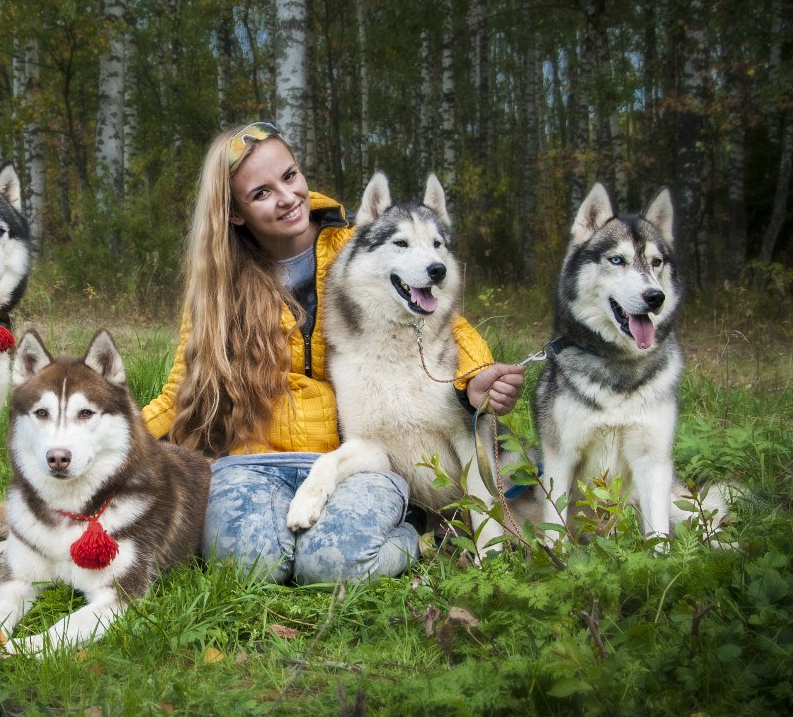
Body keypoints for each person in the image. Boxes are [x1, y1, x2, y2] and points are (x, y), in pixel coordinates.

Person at [142, 121, 524, 584]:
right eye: (261, 193)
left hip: (346, 453)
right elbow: (179, 389)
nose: (287, 197)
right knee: (247, 566)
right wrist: (121, 441)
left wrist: (476, 375)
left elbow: (447, 322)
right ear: (236, 213)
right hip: (251, 459)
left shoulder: (355, 244)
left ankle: (416, 534)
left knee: (333, 566)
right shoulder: (218, 286)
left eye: (290, 175)